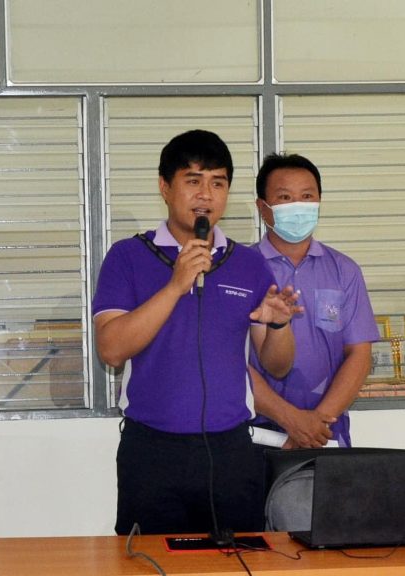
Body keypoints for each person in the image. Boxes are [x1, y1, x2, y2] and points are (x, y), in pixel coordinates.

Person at [92, 130, 300, 536]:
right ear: (165, 187)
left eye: (218, 183)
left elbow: (278, 365)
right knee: (151, 570)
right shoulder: (128, 256)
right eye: (193, 181)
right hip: (152, 451)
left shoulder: (248, 264)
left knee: (237, 569)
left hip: (230, 451)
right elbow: (111, 350)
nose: (206, 195)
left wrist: (279, 325)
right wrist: (175, 285)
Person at [248, 153, 379, 448]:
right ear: (262, 208)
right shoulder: (240, 270)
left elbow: (359, 354)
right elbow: (228, 361)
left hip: (326, 433)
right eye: (285, 197)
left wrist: (314, 424)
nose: (298, 206)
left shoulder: (344, 270)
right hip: (258, 433)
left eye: (307, 197)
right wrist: (291, 420)